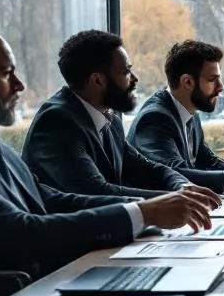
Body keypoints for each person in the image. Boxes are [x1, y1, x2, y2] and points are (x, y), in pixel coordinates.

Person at [0, 25, 219, 296]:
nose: (20, 86)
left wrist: (147, 210)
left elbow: (51, 198)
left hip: (35, 292)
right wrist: (142, 212)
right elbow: (23, 235)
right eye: (6, 72)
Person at [22, 30, 200, 199]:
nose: (134, 78)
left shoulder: (109, 118)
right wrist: (175, 200)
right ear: (97, 80)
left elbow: (147, 168)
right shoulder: (57, 123)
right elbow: (97, 192)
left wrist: (182, 186)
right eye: (126, 71)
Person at [128, 40, 224, 193]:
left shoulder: (188, 110)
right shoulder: (154, 118)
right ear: (187, 82)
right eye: (212, 79)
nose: (221, 86)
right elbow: (174, 172)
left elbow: (208, 160)